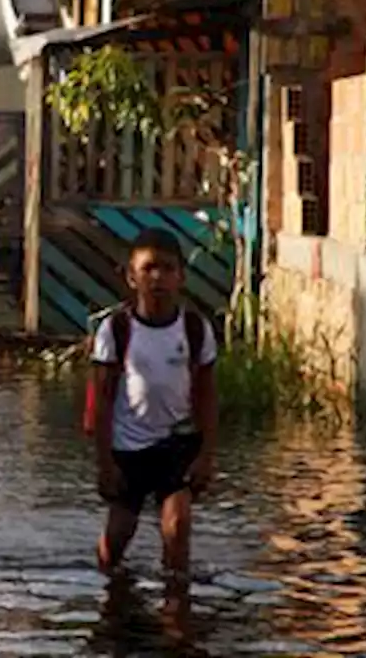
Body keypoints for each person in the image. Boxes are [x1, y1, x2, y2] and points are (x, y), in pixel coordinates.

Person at [89, 228, 218, 584]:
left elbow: (207, 395)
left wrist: (206, 455)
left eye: (167, 269)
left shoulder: (194, 329)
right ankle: (110, 593)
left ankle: (176, 609)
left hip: (176, 444)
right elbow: (101, 400)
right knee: (118, 535)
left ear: (181, 277)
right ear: (132, 276)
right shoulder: (115, 330)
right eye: (148, 269)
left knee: (177, 526)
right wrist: (104, 463)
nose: (158, 278)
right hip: (128, 448)